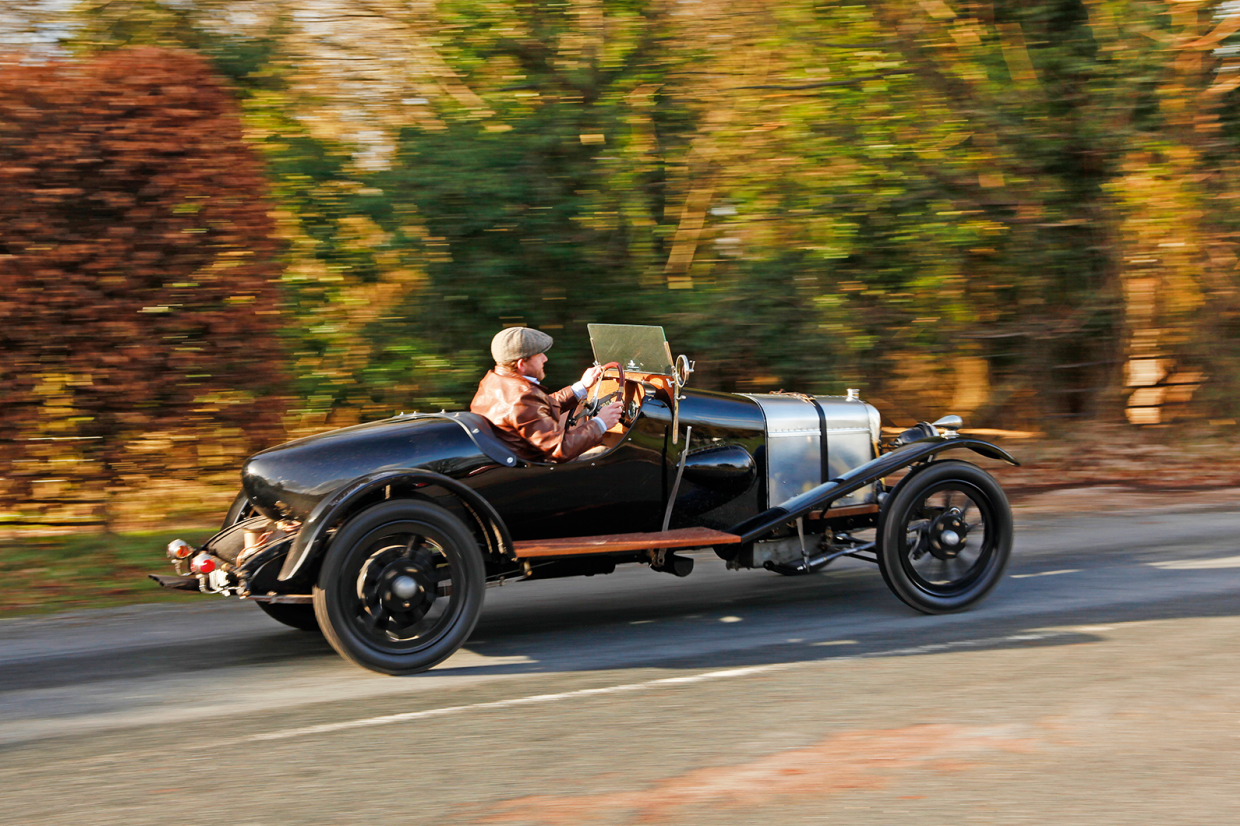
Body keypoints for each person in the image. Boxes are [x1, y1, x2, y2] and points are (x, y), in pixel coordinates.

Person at [471, 326, 623, 463]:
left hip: (517, 460)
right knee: (609, 454)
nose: (545, 359)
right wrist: (601, 423)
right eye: (539, 355)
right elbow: (560, 450)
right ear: (521, 364)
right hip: (535, 471)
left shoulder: (493, 382)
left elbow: (537, 408)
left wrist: (581, 386)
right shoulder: (522, 397)